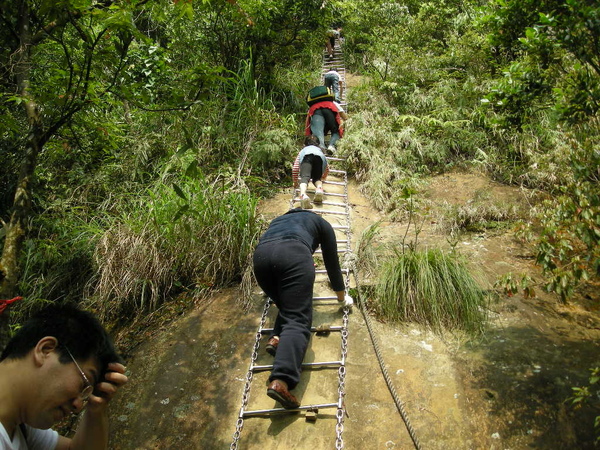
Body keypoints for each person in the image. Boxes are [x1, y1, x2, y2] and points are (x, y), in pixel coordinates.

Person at [253, 209, 352, 409]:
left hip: (261, 258)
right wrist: (342, 297)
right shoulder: (320, 222)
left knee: (287, 305)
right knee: (298, 319)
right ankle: (281, 381)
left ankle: (277, 338)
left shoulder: (278, 219)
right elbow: (331, 264)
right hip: (293, 255)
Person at [0, 303, 128, 449]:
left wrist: (96, 408)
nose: (78, 406)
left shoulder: (19, 426)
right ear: (45, 350)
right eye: (83, 384)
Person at [292, 135, 329, 209]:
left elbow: (295, 167)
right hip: (319, 159)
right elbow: (327, 167)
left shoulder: (303, 151)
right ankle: (319, 188)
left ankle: (303, 195)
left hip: (307, 157)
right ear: (318, 144)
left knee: (305, 178)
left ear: (304, 144)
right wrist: (323, 176)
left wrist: (295, 181)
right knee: (317, 179)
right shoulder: (320, 152)